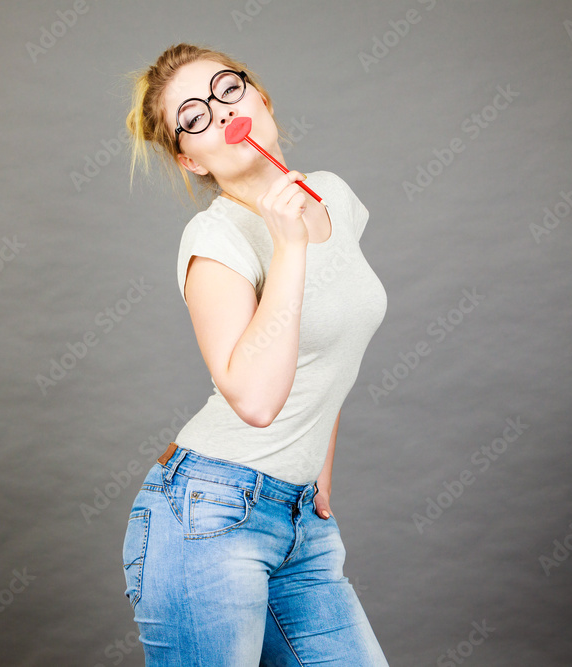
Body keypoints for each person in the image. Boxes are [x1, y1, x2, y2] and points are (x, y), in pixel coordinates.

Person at [119, 42, 390, 666]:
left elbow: (333, 349)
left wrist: (319, 467)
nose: (218, 112)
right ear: (190, 159)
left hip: (301, 523)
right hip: (208, 514)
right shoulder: (213, 238)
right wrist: (287, 246)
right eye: (193, 117)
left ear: (259, 99)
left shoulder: (332, 197)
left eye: (228, 90)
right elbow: (258, 399)